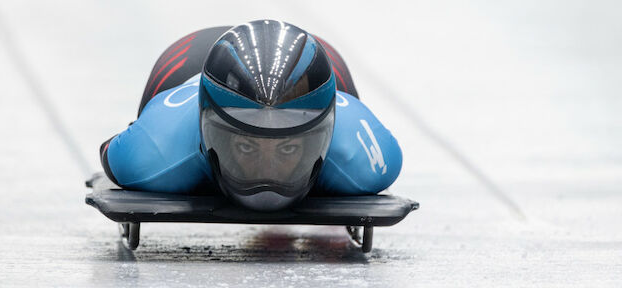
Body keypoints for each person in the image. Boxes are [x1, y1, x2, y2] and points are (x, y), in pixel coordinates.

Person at [100, 20, 402, 211]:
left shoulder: (362, 156)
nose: (267, 174)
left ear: (327, 132)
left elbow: (108, 151)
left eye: (287, 148)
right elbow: (116, 151)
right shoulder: (154, 148)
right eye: (246, 146)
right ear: (205, 126)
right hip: (187, 62)